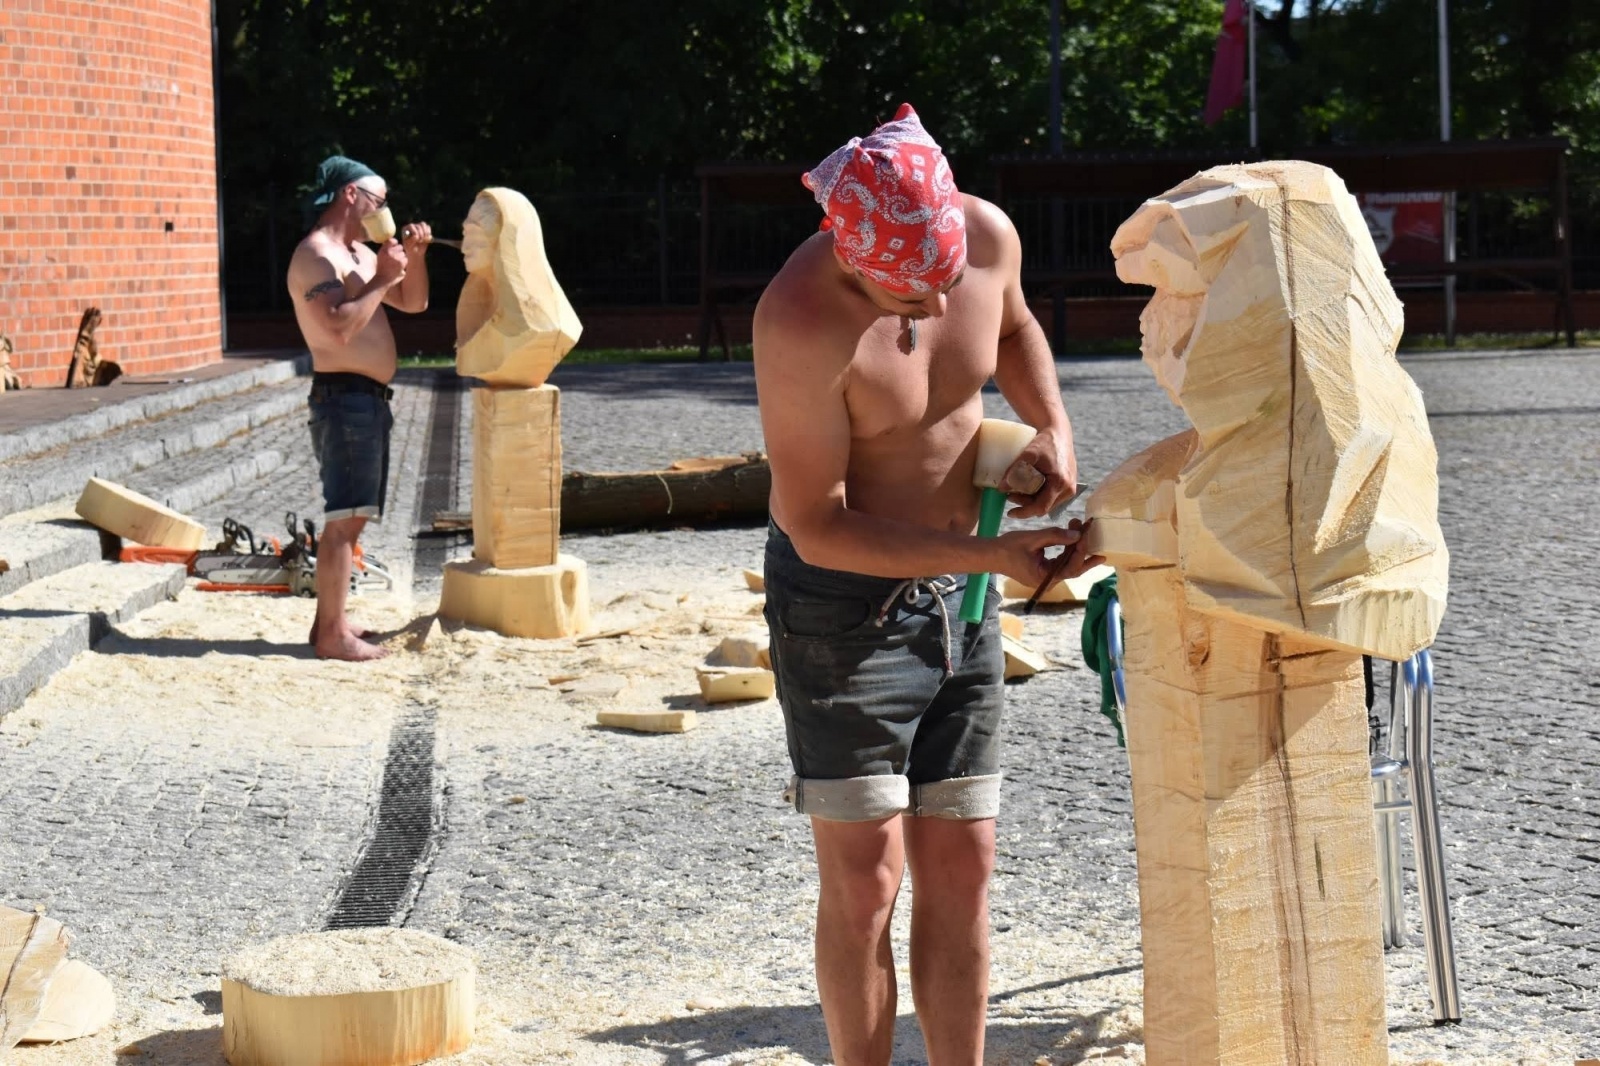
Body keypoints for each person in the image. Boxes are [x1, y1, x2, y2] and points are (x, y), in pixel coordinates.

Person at [752, 104, 1099, 1066]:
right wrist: (991, 557)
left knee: (966, 860)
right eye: (912, 300)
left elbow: (1019, 326)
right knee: (868, 879)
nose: (942, 313)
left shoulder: (985, 236)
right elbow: (818, 524)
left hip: (964, 594)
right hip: (843, 613)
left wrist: (1052, 427)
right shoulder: (800, 319)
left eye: (947, 286)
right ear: (849, 258)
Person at [287, 155, 433, 661]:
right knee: (344, 521)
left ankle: (331, 624)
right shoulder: (316, 255)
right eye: (379, 200)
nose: (382, 210)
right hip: (343, 396)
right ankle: (332, 637)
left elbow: (414, 303)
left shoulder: (358, 253)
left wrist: (411, 259)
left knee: (353, 519)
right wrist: (381, 278)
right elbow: (339, 328)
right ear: (352, 195)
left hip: (365, 399)